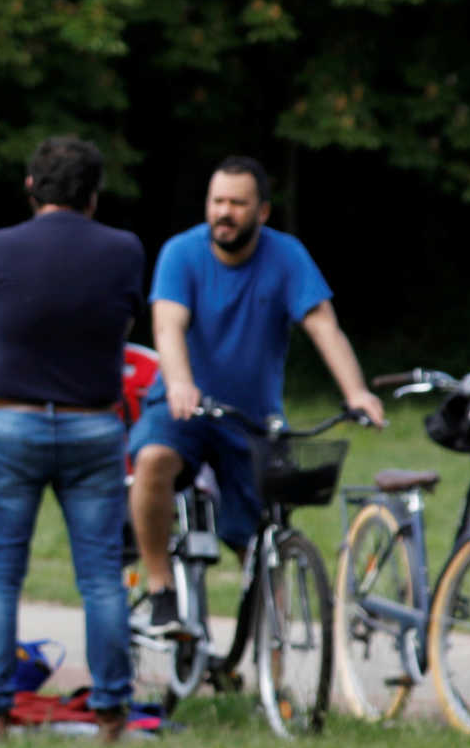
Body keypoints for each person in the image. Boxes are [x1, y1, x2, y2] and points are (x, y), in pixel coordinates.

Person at [132, 155, 386, 633]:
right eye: (217, 201)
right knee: (152, 460)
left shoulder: (286, 256)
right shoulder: (181, 254)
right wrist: (181, 382)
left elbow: (322, 325)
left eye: (237, 203)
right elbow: (167, 325)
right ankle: (162, 588)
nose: (224, 212)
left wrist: (358, 393)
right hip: (184, 408)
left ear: (262, 212)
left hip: (252, 420)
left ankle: (276, 672)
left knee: (267, 538)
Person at [0, 135, 149, 743]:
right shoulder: (123, 250)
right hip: (94, 423)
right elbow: (123, 325)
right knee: (99, 575)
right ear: (93, 195)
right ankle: (113, 710)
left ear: (30, 187)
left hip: (10, 421)